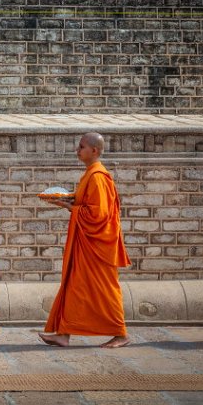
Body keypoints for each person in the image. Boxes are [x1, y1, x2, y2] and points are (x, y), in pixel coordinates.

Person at [38, 132, 132, 348]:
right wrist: (71, 198)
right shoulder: (91, 174)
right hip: (86, 244)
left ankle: (121, 333)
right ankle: (63, 333)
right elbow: (89, 203)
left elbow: (98, 215)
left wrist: (70, 207)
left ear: (94, 151)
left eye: (81, 147)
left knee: (104, 289)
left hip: (97, 246)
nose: (77, 151)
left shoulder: (98, 177)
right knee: (74, 287)